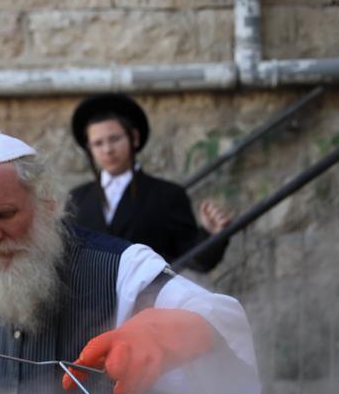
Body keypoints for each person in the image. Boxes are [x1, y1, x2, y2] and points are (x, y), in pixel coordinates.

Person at [0, 124, 259, 394]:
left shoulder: (121, 267)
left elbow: (221, 319)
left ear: (48, 203)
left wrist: (168, 332)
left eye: (4, 214)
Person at [67, 94, 233, 273]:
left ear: (134, 138)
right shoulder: (77, 199)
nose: (108, 149)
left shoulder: (168, 195)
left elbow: (195, 260)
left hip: (150, 299)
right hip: (92, 299)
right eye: (98, 143)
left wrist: (210, 234)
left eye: (114, 139)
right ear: (89, 149)